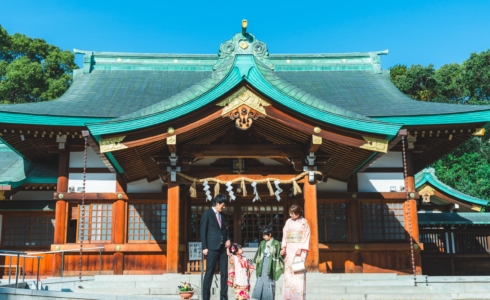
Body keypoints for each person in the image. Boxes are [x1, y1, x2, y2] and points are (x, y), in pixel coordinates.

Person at [201, 194, 231, 300]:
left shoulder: (222, 216)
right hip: (212, 248)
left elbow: (224, 230)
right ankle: (205, 298)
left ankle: (223, 297)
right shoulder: (207, 214)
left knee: (224, 273)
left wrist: (228, 239)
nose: (223, 207)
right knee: (209, 272)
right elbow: (203, 231)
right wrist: (204, 247)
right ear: (217, 203)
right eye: (222, 205)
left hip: (223, 248)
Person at [280, 205, 310, 300]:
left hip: (299, 248)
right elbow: (285, 234)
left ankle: (298, 297)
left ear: (298, 213)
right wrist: (284, 247)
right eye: (290, 213)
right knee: (288, 273)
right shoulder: (288, 221)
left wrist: (301, 248)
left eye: (293, 214)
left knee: (298, 271)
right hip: (289, 248)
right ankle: (288, 297)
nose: (291, 215)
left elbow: (306, 236)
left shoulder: (304, 222)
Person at [251, 225, 284, 300]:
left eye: (265, 235)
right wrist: (256, 263)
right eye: (263, 235)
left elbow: (278, 255)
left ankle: (268, 298)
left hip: (271, 264)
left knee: (269, 280)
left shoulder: (276, 243)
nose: (263, 237)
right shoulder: (262, 243)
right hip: (262, 263)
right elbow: (259, 254)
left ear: (270, 234)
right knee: (260, 279)